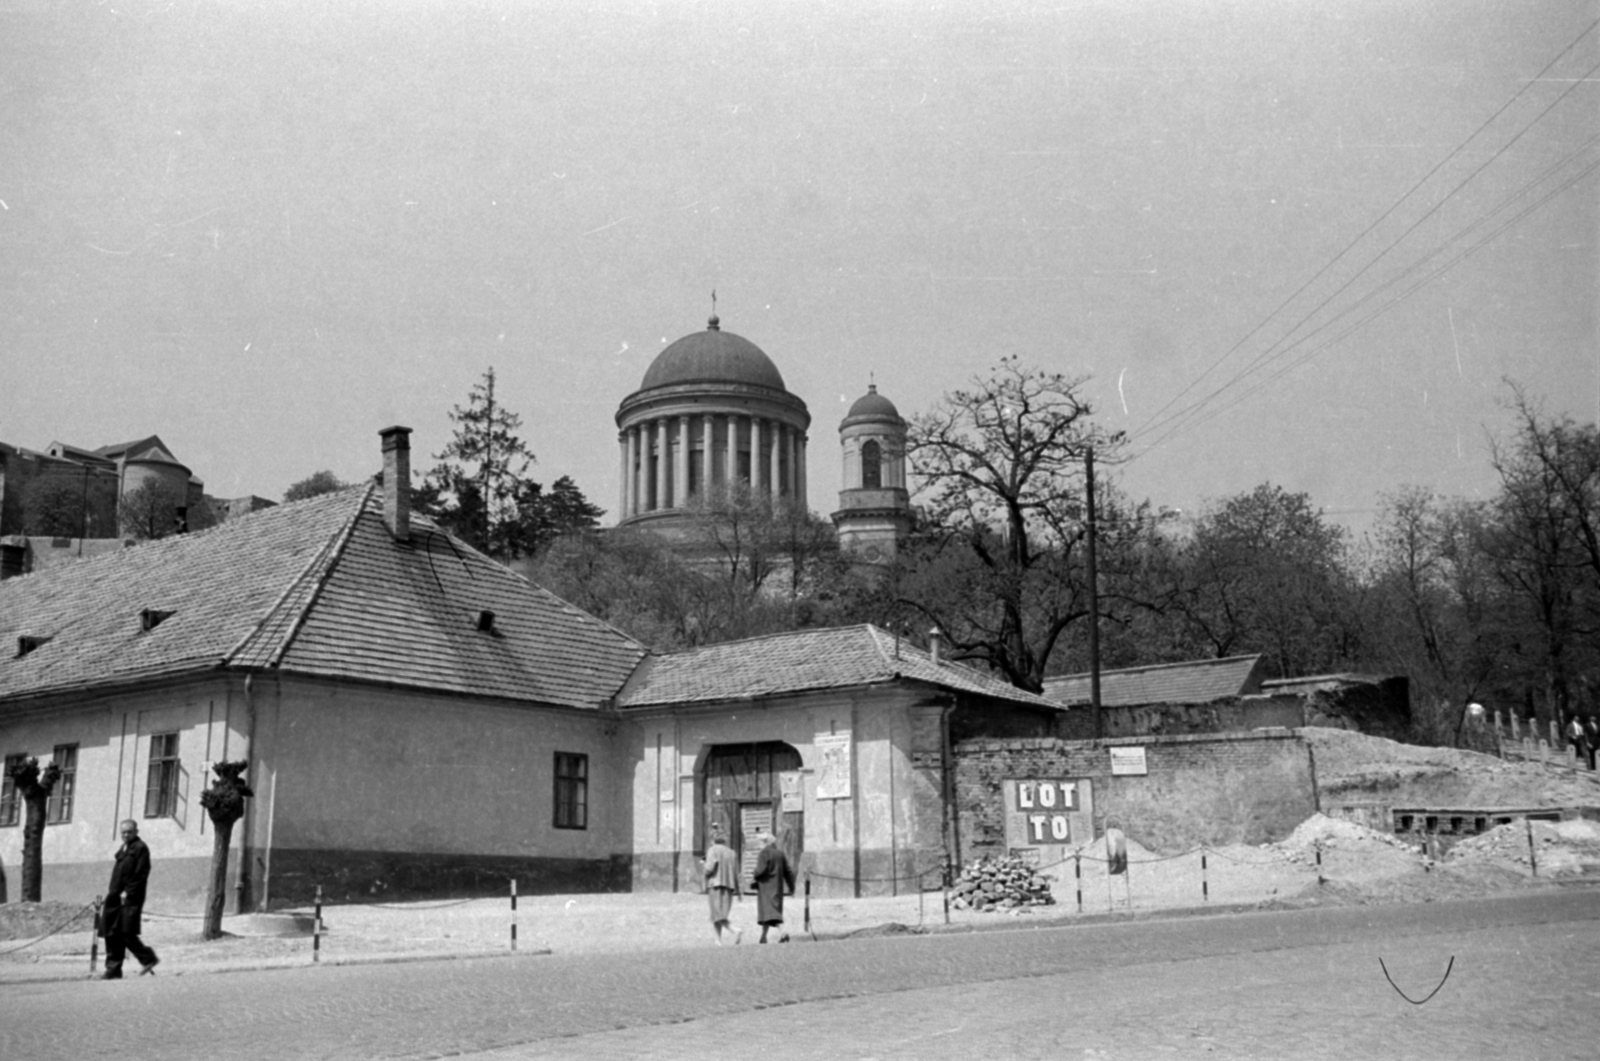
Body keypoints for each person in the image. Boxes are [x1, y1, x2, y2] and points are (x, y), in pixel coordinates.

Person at [99, 820, 159, 979]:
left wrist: (128, 892)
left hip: (129, 897)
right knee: (111, 932)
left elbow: (141, 873)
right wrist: (114, 892)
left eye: (129, 832)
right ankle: (113, 969)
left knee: (125, 931)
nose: (126, 835)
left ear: (136, 831)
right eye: (123, 832)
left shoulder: (140, 848)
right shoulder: (123, 848)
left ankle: (148, 958)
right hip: (114, 896)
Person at [751, 830, 795, 944]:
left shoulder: (763, 853)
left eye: (760, 841)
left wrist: (754, 873)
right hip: (777, 887)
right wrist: (791, 887)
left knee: (771, 912)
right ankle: (763, 937)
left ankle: (783, 932)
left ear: (764, 842)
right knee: (768, 913)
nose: (758, 844)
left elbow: (760, 871)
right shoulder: (779, 854)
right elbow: (788, 872)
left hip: (766, 888)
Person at [701, 827, 743, 945]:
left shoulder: (712, 850)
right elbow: (736, 873)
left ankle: (735, 930)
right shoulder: (732, 853)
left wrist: (703, 866)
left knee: (716, 914)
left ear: (713, 839)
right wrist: (739, 892)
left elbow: (709, 868)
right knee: (720, 913)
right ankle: (718, 941)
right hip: (729, 887)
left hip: (715, 885)